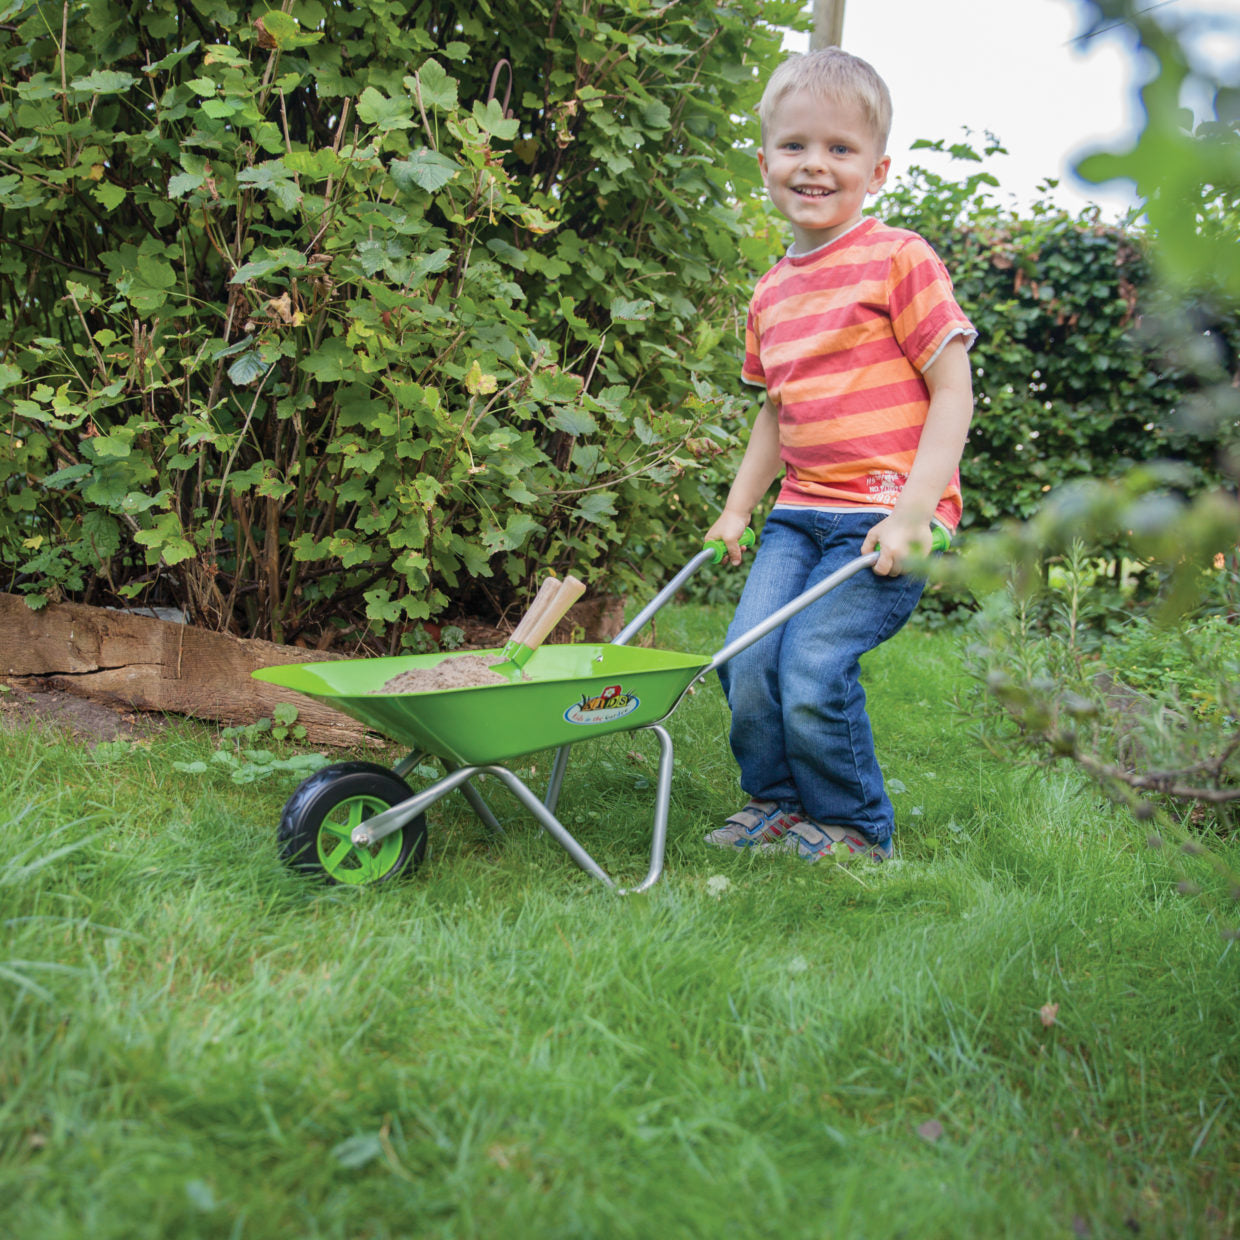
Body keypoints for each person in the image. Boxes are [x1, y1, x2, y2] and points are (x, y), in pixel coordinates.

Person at [704, 47, 976, 862]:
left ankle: (853, 825)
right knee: (747, 658)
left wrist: (912, 516)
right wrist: (736, 509)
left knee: (816, 663)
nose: (814, 165)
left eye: (839, 149)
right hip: (799, 514)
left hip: (886, 516)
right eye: (794, 146)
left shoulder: (900, 259)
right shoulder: (769, 291)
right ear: (764, 163)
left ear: (878, 168)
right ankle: (777, 802)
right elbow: (772, 412)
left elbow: (954, 392)